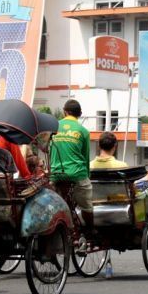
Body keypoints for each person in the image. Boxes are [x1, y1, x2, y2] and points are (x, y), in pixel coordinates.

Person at [50, 99, 94, 238]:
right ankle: (89, 233)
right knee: (87, 206)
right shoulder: (83, 131)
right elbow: (85, 157)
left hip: (56, 175)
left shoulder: (54, 127)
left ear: (64, 112)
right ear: (79, 114)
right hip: (77, 174)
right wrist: (88, 177)